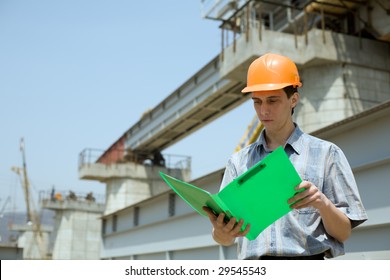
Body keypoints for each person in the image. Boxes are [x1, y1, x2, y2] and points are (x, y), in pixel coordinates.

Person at [203, 53, 367, 260]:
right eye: (257, 101)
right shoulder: (238, 162)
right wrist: (221, 232)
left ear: (293, 99)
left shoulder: (326, 154)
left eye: (273, 100)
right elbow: (225, 240)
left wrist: (321, 203)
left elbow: (344, 233)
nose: (263, 110)